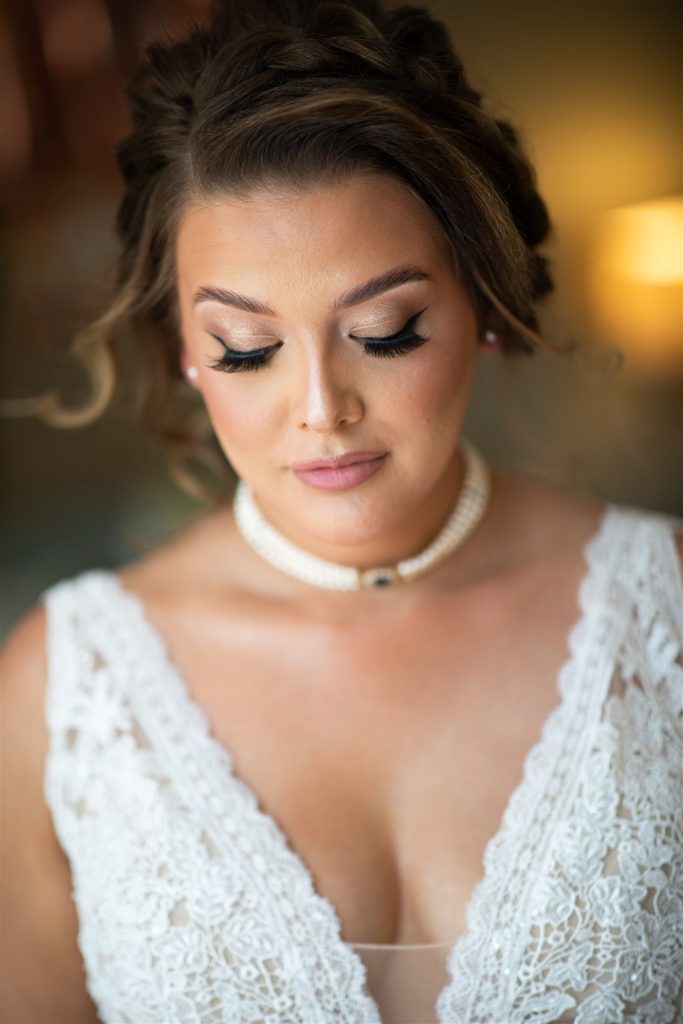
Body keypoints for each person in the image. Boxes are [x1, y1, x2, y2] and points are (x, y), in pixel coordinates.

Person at [1, 1, 682, 1022]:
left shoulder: (665, 605)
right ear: (185, 350)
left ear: (482, 307)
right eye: (244, 347)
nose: (322, 409)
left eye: (386, 329)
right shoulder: (64, 684)